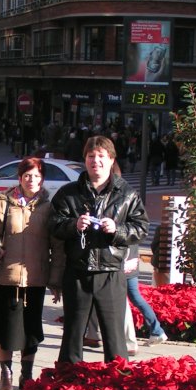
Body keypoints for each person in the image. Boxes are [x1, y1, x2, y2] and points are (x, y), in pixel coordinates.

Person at [49, 135, 149, 363]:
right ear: (85, 160)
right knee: (73, 334)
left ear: (112, 160)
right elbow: (53, 225)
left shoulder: (127, 193)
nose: (96, 161)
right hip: (78, 271)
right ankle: (67, 383)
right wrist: (73, 225)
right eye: (91, 156)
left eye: (102, 156)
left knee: (114, 338)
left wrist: (118, 229)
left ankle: (116, 386)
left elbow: (140, 228)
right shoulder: (69, 193)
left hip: (110, 271)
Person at [0, 157, 63, 390]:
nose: (31, 180)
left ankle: (27, 374)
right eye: (27, 175)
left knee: (31, 331)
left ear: (42, 179)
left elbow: (57, 247)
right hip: (7, 277)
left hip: (35, 278)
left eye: (36, 176)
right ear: (19, 178)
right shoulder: (3, 203)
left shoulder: (49, 207)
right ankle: (6, 372)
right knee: (5, 330)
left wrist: (55, 280)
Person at [125, 242, 167, 344]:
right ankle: (157, 331)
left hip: (122, 266)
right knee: (137, 298)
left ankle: (128, 340)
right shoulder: (134, 228)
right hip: (132, 266)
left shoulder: (120, 226)